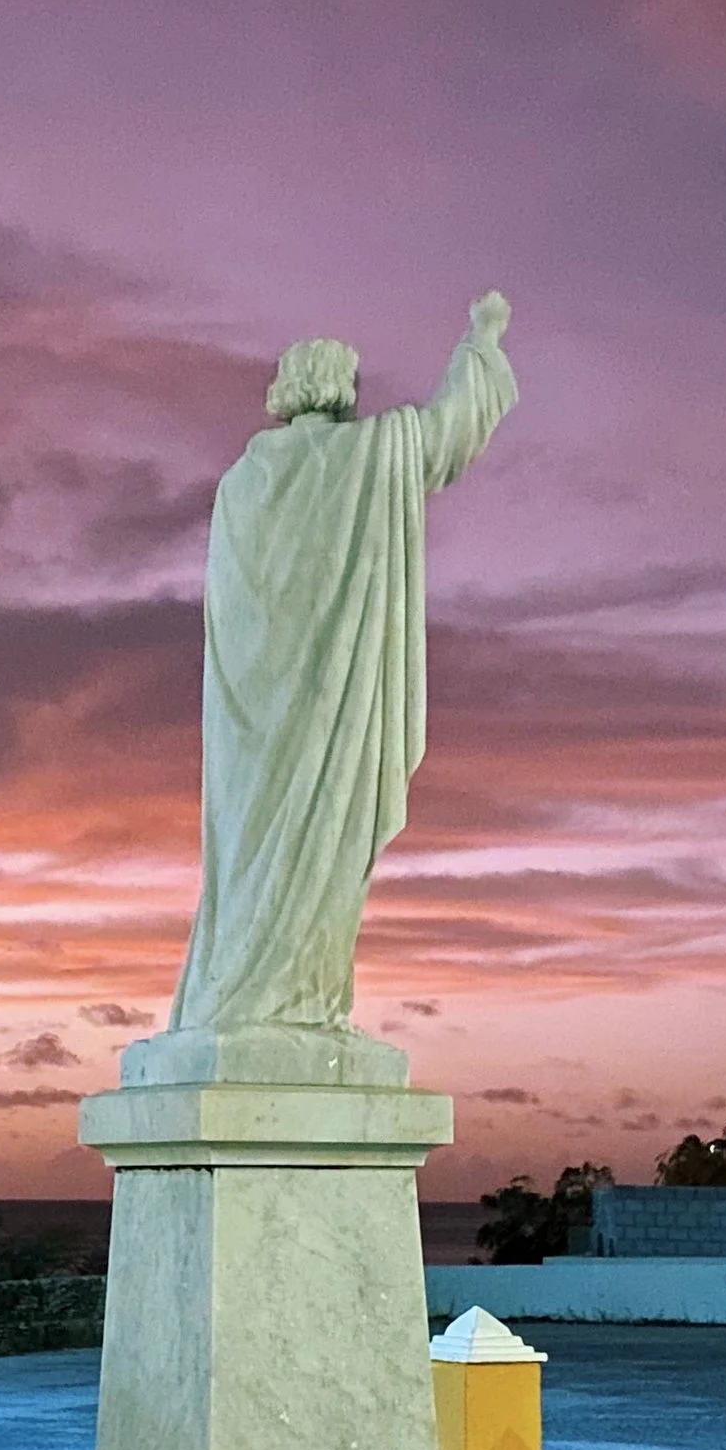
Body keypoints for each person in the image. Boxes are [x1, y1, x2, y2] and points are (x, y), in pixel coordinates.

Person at [169, 290, 517, 1036]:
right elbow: (449, 430)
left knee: (250, 860)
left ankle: (265, 998)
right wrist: (480, 340)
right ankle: (297, 1002)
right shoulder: (369, 455)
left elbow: (230, 612)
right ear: (342, 387)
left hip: (249, 726)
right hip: (330, 706)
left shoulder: (240, 487)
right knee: (323, 850)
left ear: (285, 390)